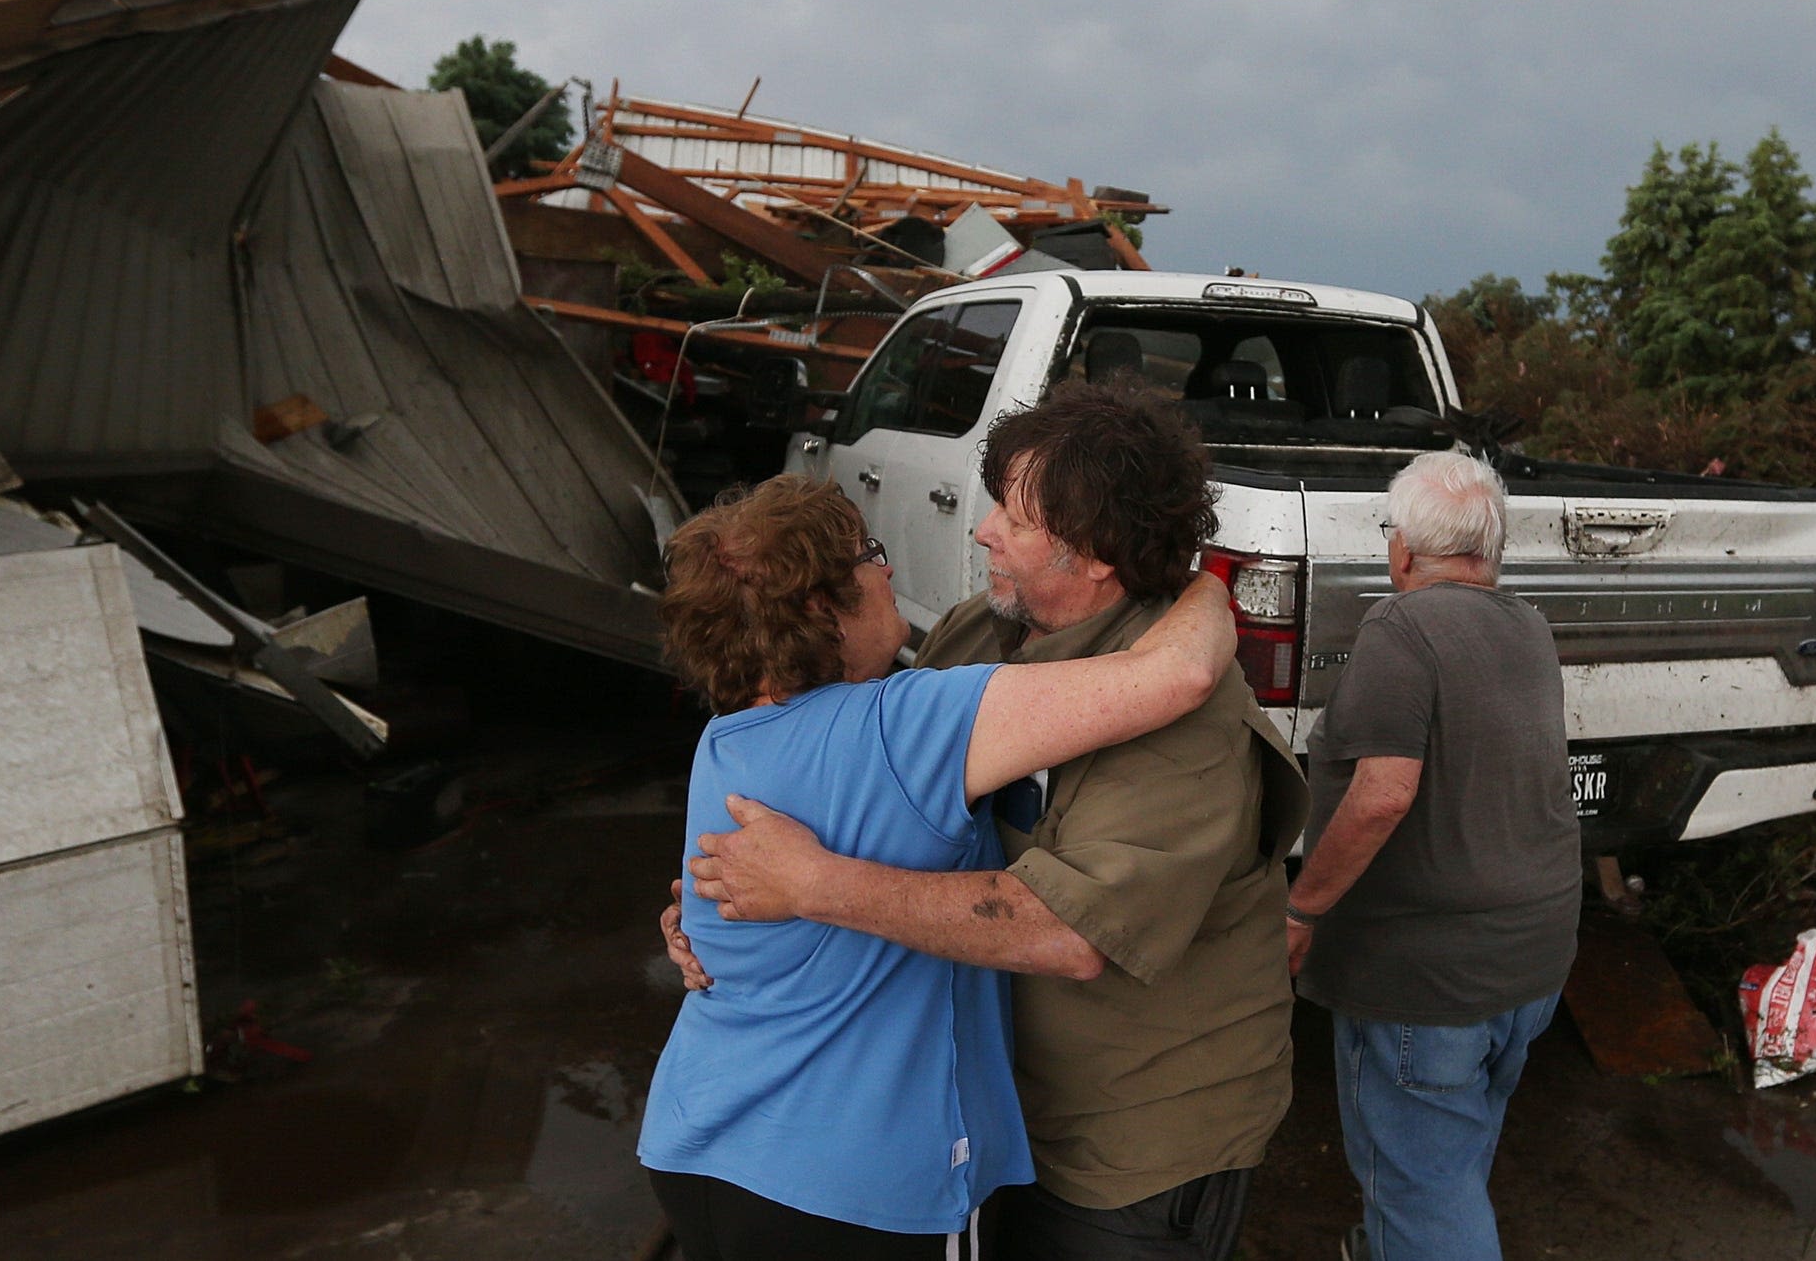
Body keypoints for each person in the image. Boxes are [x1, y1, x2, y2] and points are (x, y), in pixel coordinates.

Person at [674, 383, 1308, 1261]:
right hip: (994, 1122)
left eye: (1015, 515)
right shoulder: (983, 631)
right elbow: (846, 780)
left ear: (1096, 553)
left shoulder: (1184, 728)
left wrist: (810, 885)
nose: (982, 531)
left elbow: (1070, 932)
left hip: (1126, 1148)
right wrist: (716, 913)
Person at [1281, 450, 1578, 1261]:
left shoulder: (1401, 626)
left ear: (1403, 548)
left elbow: (1381, 794)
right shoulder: (1528, 625)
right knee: (1451, 1160)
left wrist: (1300, 907)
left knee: (1425, 1198)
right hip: (1530, 963)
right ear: (1491, 550)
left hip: (1428, 982)